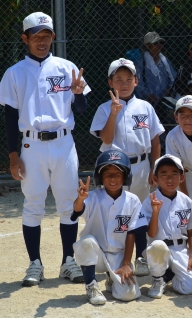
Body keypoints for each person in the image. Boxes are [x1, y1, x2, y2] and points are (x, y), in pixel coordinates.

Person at [0, 12, 90, 286]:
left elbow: (82, 108)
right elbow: (11, 117)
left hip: (64, 142)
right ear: (25, 38)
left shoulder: (66, 67)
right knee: (33, 204)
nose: (42, 41)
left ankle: (67, 261)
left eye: (47, 36)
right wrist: (13, 155)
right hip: (31, 145)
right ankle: (35, 264)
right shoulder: (14, 73)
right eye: (36, 36)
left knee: (67, 203)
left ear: (53, 37)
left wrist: (76, 95)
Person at [90, 58, 165, 277]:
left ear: (136, 81)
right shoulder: (104, 109)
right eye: (118, 79)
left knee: (139, 212)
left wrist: (155, 167)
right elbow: (105, 137)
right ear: (110, 82)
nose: (124, 83)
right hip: (115, 170)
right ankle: (113, 255)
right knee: (118, 212)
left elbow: (155, 140)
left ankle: (140, 256)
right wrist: (114, 113)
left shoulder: (145, 107)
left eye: (128, 79)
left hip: (141, 166)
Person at [72, 150, 148, 305]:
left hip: (119, 256)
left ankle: (111, 280)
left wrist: (126, 263)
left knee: (128, 295)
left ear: (125, 177)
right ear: (100, 177)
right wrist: (80, 199)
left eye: (117, 174)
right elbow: (77, 210)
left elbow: (132, 234)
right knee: (86, 241)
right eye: (107, 174)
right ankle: (91, 284)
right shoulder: (93, 197)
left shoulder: (132, 200)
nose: (112, 178)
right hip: (96, 254)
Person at [142, 155, 192, 298]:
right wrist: (155, 211)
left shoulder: (186, 201)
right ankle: (158, 279)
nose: (169, 179)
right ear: (155, 179)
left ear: (181, 177)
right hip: (158, 248)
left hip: (180, 248)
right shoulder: (150, 201)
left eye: (174, 174)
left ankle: (169, 275)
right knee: (158, 246)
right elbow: (151, 234)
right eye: (164, 174)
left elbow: (191, 232)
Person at [134, 31, 177, 106]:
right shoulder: (140, 63)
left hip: (165, 102)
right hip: (148, 102)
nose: (159, 45)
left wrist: (168, 91)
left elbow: (174, 77)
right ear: (147, 46)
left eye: (160, 43)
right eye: (155, 43)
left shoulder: (165, 61)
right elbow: (138, 83)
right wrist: (148, 95)